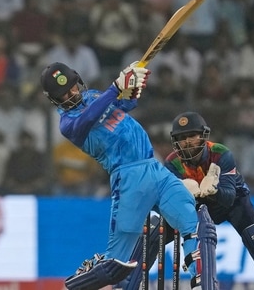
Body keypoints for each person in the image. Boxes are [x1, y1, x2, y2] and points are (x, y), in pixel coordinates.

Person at [39, 62, 217, 290]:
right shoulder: (68, 123)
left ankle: (202, 283)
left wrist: (132, 88)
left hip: (155, 168)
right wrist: (115, 86)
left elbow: (124, 104)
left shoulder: (93, 95)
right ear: (53, 99)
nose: (71, 93)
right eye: (63, 93)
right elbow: (89, 117)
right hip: (129, 179)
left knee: (191, 219)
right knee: (117, 263)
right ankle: (76, 286)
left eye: (73, 86)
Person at [120, 112, 254, 290]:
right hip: (194, 205)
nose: (187, 142)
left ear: (203, 136)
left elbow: (228, 197)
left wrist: (213, 191)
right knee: (153, 232)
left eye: (192, 135)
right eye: (182, 138)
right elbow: (166, 205)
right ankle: (127, 286)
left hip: (232, 203)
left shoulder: (220, 153)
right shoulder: (172, 163)